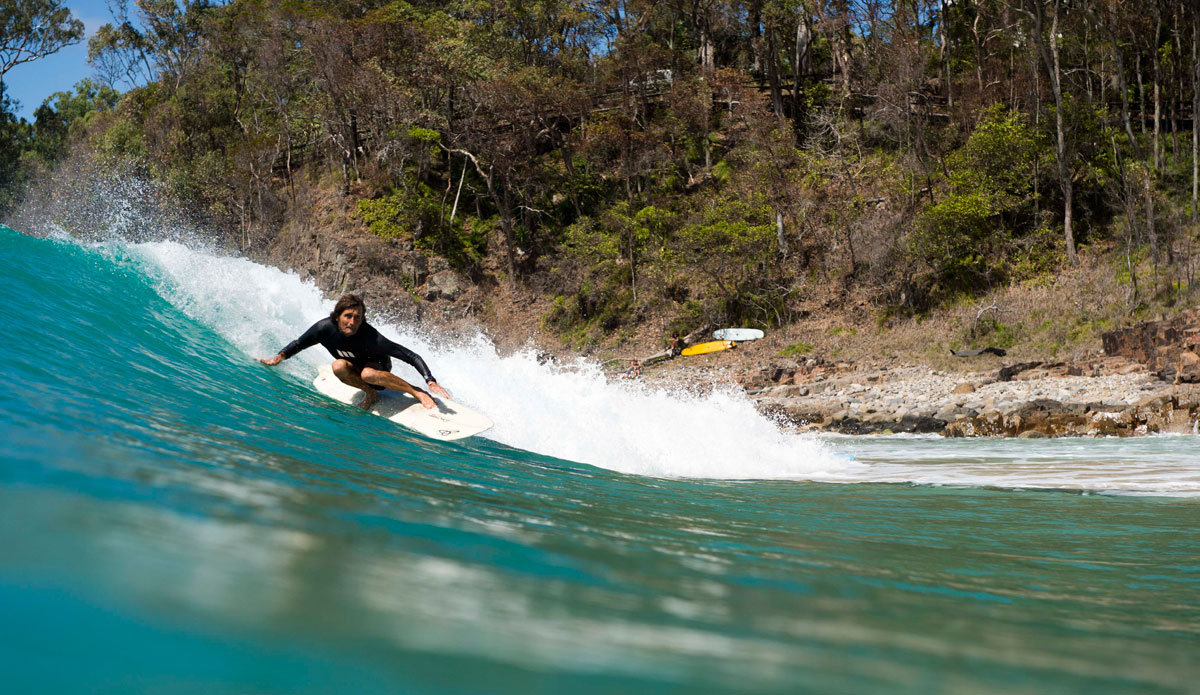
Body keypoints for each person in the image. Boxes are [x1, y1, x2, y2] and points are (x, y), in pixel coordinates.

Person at [259, 294, 451, 411]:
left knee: (368, 374)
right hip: (354, 367)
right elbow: (299, 344)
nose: (352, 322)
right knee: (338, 366)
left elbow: (411, 356)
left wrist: (430, 380)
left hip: (377, 366)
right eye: (348, 316)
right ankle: (370, 394)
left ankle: (416, 392)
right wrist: (279, 357)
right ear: (337, 317)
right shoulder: (324, 329)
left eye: (357, 318)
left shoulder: (371, 337)